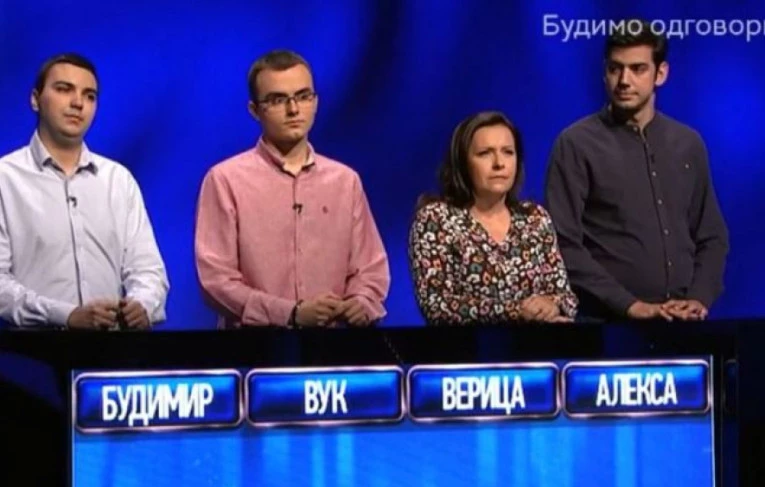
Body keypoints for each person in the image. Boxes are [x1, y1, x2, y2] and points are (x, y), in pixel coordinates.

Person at [545, 20, 729, 322]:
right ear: (604, 72)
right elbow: (563, 242)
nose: (624, 80)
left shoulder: (688, 143)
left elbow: (712, 236)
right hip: (607, 326)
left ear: (661, 73)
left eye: (638, 69)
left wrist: (698, 298)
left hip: (683, 323)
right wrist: (630, 305)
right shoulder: (576, 144)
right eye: (615, 69)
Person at [195, 49, 389, 328]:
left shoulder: (345, 181)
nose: (294, 109)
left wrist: (361, 302)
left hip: (335, 345)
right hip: (255, 347)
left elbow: (371, 269)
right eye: (278, 100)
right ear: (255, 110)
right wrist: (290, 313)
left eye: (303, 96)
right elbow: (216, 281)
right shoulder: (225, 180)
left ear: (316, 101)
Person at [0, 53, 169, 330]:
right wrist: (67, 315)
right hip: (32, 351)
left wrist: (143, 305)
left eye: (89, 96)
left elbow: (148, 269)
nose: (78, 103)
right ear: (35, 99)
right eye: (64, 89)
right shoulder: (6, 179)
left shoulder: (118, 180)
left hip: (113, 348)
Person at [408, 111, 578, 325]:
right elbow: (437, 304)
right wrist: (516, 311)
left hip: (536, 345)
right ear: (463, 163)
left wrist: (552, 305)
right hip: (468, 345)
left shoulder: (535, 218)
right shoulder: (435, 220)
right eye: (485, 153)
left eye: (508, 152)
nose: (499, 163)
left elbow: (566, 297)